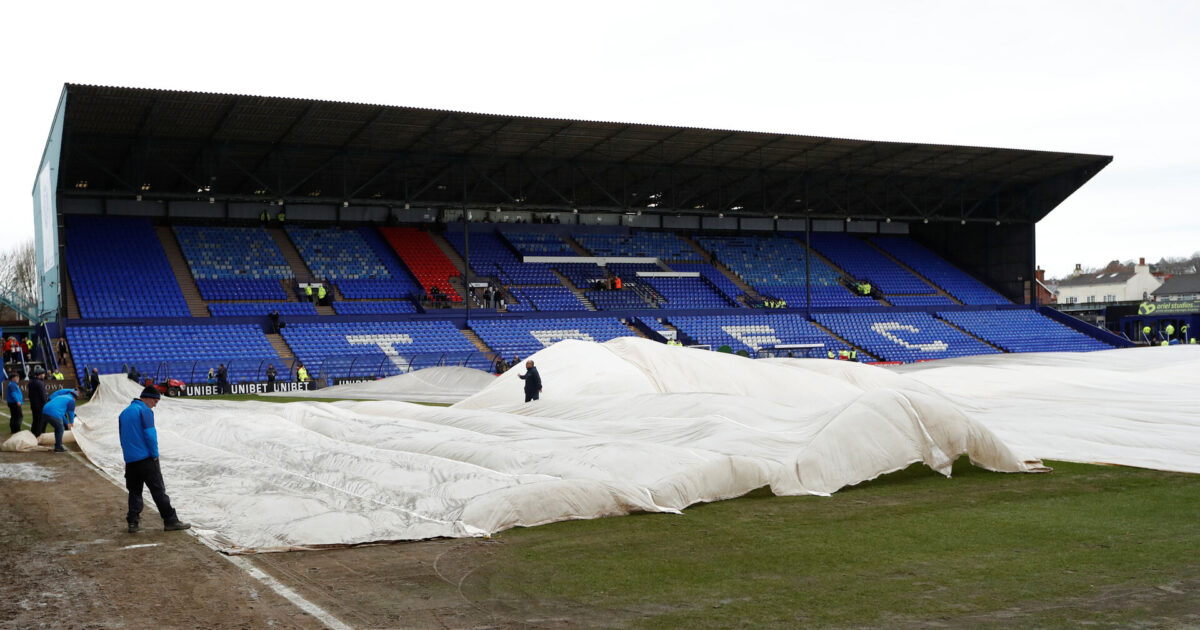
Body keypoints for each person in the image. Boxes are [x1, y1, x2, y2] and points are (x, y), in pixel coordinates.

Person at [119, 386, 190, 533]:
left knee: (135, 491)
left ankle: (133, 521)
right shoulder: (145, 411)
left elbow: (122, 437)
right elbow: (150, 435)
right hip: (146, 459)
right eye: (155, 401)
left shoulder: (124, 413)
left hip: (131, 460)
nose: (155, 404)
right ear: (147, 398)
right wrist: (155, 454)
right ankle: (170, 520)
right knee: (158, 490)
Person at [41, 388, 77, 453]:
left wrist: (67, 423)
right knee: (60, 428)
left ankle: (58, 446)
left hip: (44, 410)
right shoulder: (72, 401)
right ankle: (58, 447)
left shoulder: (63, 397)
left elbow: (62, 414)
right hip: (53, 413)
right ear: (75, 397)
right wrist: (71, 423)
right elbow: (71, 413)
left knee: (58, 428)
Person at [28, 366, 48, 437]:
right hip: (40, 406)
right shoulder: (40, 383)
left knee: (35, 420)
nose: (44, 375)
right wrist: (46, 404)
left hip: (33, 405)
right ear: (40, 374)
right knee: (40, 421)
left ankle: (33, 434)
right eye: (43, 374)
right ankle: (38, 435)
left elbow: (29, 395)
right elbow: (43, 395)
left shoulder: (31, 382)